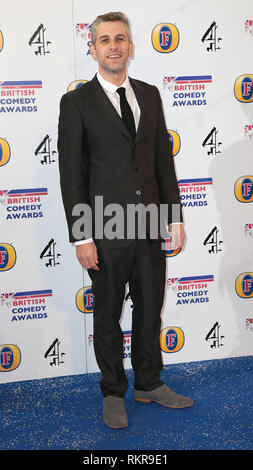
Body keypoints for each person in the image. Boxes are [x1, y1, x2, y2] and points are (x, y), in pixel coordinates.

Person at [58, 11, 194, 429]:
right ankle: (113, 391)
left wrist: (174, 216)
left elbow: (161, 162)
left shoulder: (150, 95)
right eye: (105, 40)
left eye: (120, 38)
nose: (113, 45)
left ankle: (149, 382)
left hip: (150, 223)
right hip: (105, 229)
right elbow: (72, 175)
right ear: (93, 48)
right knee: (107, 317)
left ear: (131, 46)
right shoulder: (76, 103)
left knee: (150, 310)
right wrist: (83, 236)